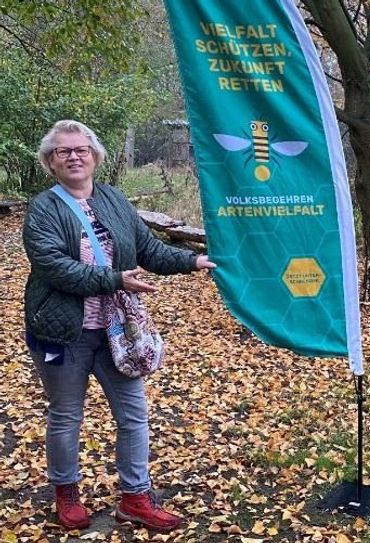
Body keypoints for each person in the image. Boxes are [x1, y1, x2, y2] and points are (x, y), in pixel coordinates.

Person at [23, 120, 216, 532]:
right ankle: (66, 492)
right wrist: (114, 279)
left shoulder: (114, 199)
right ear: (50, 162)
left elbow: (149, 250)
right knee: (65, 415)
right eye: (63, 151)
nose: (73, 156)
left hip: (117, 334)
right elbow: (54, 268)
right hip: (62, 333)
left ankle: (136, 497)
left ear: (94, 155)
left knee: (133, 415)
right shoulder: (43, 209)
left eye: (80, 149)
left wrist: (195, 261)